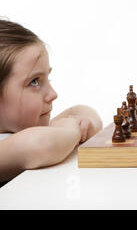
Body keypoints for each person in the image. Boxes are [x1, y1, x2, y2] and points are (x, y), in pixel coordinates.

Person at [0, 19, 103, 186]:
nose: (53, 94)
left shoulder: (24, 132)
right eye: (34, 82)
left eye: (48, 79)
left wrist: (79, 124)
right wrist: (74, 131)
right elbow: (40, 145)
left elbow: (82, 111)